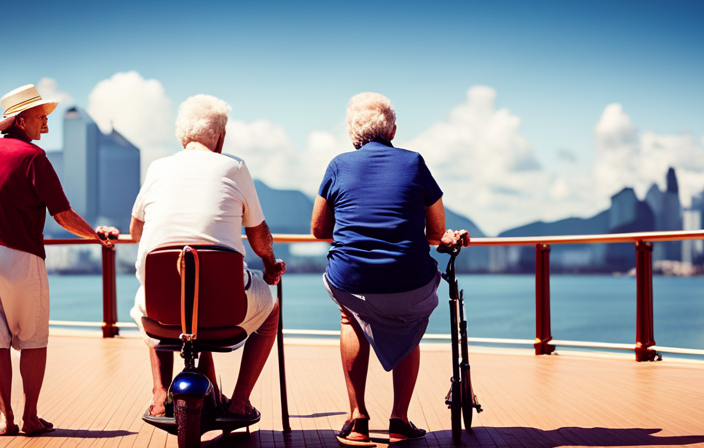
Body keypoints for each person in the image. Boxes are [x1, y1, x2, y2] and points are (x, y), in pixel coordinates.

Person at [311, 92, 470, 446]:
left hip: (351, 280)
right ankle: (399, 420)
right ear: (393, 130)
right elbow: (435, 231)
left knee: (349, 317)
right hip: (408, 282)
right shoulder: (414, 162)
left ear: (352, 132)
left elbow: (319, 230)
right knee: (408, 323)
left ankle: (357, 419)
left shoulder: (338, 165)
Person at [118, 94, 286, 423]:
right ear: (220, 136)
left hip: (161, 307)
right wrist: (268, 266)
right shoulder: (233, 167)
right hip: (222, 306)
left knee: (152, 297)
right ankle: (239, 402)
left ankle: (157, 394)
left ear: (182, 137)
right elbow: (259, 235)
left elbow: (135, 233)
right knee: (270, 311)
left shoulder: (157, 168)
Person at [0, 84, 113, 436]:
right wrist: (98, 237)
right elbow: (62, 216)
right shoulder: (32, 158)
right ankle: (30, 417)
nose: (46, 126)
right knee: (32, 339)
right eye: (41, 118)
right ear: (19, 121)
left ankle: (7, 421)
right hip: (21, 259)